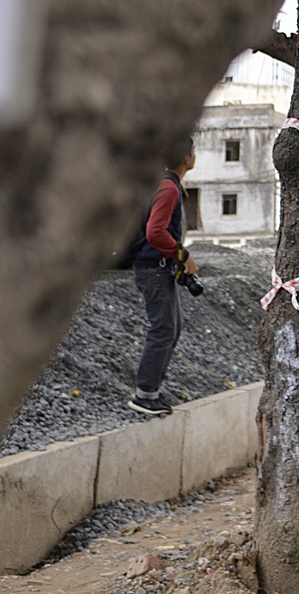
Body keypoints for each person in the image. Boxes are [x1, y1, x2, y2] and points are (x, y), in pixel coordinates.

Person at [127, 140, 198, 415]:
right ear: (186, 157)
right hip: (152, 268)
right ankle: (144, 395)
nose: (195, 156)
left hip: (158, 267)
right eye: (194, 151)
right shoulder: (168, 187)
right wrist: (182, 254)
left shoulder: (166, 184)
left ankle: (151, 390)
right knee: (163, 329)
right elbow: (155, 233)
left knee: (173, 326)